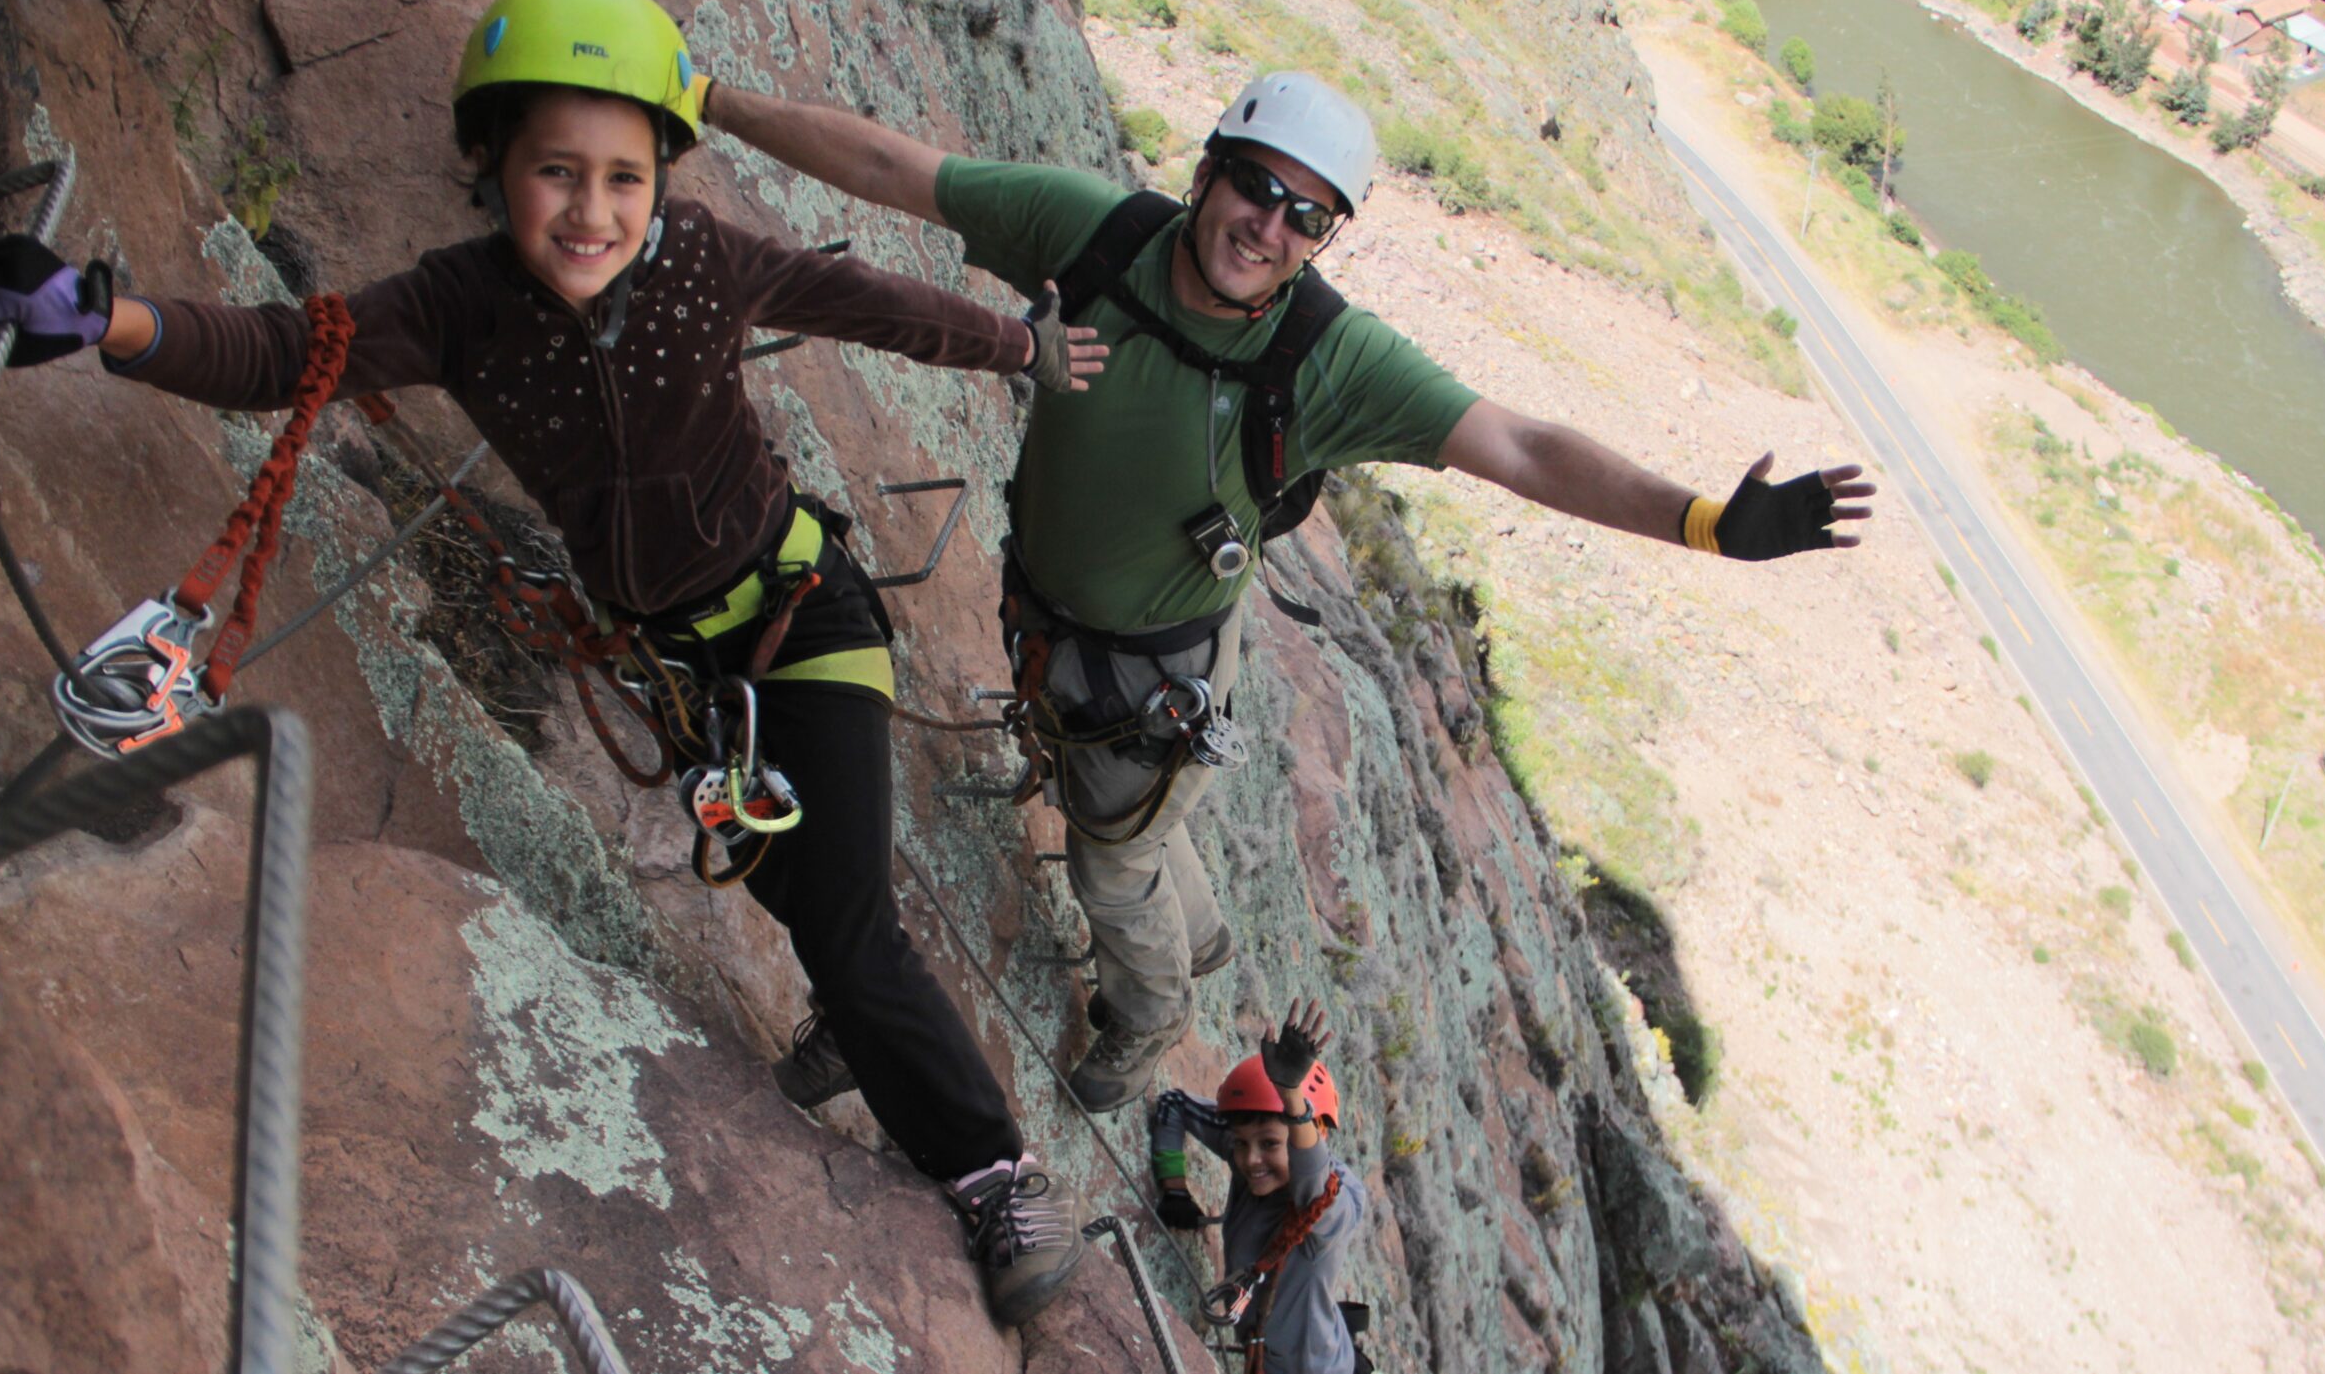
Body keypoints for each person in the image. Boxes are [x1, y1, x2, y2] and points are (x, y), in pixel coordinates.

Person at [0, 0, 1108, 1327]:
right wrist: (111, 327)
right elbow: (285, 352)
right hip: (683, 680)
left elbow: (851, 298)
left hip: (806, 622)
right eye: (555, 170)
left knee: (846, 921)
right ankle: (862, 1030)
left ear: (662, 181)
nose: (592, 209)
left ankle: (999, 1179)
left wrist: (1016, 343)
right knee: (802, 893)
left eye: (624, 177)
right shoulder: (458, 306)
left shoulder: (702, 263)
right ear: (492, 165)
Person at [702, 69, 1875, 1112]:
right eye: (1254, 185)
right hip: (1056, 619)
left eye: (1305, 213)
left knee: (1112, 862)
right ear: (1207, 169)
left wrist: (1705, 524)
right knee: (1127, 820)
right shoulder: (1096, 236)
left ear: (1325, 238)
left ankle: (1149, 1010)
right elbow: (889, 168)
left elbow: (1518, 444)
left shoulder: (1328, 361)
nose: (1266, 224)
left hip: (1148, 664)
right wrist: (702, 98)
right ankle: (1198, 930)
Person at [1150, 1001, 1368, 1374]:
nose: (1251, 1160)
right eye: (1241, 1143)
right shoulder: (1250, 1153)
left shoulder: (1336, 1205)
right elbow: (1174, 1105)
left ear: (1314, 1133)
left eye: (1268, 1144)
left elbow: (1315, 1185)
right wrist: (1175, 1190)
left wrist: (1292, 1099)